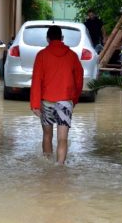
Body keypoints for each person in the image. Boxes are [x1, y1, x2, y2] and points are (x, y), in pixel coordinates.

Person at [30, 25, 84, 165]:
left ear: (47, 39)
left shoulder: (41, 55)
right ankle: (60, 167)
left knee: (47, 135)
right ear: (62, 38)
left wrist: (35, 104)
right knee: (63, 139)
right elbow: (79, 79)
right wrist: (75, 99)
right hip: (65, 101)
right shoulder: (72, 56)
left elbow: (36, 80)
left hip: (46, 101)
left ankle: (48, 165)